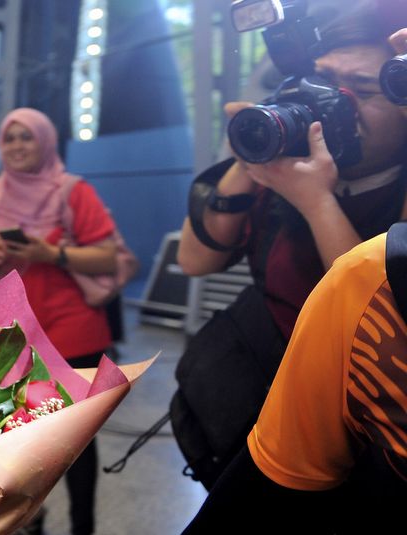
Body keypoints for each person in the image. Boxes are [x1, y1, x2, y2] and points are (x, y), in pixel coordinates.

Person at [171, 2, 407, 491]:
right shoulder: (286, 163)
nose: (334, 103)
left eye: (362, 90)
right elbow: (195, 260)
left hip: (341, 447)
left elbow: (373, 316)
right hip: (245, 414)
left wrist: (317, 202)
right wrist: (255, 148)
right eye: (322, 81)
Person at [0, 107, 118, 535]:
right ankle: (31, 523)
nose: (16, 147)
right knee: (18, 437)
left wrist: (50, 254)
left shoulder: (73, 192)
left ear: (46, 141)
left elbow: (106, 254)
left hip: (74, 329)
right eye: (9, 139)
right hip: (13, 335)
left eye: (26, 138)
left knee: (76, 441)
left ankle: (83, 526)